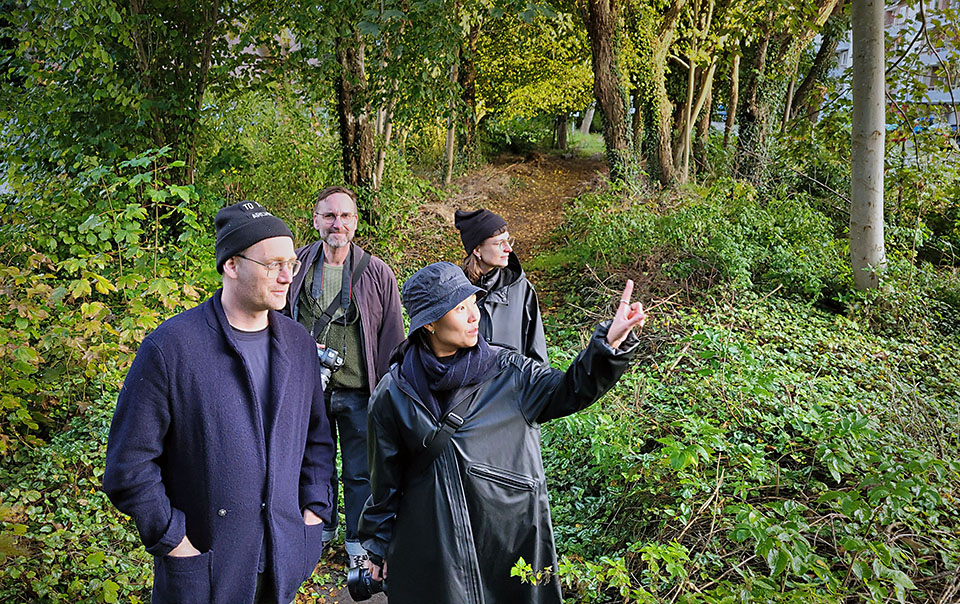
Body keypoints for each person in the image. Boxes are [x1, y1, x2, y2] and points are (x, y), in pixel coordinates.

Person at [358, 262, 647, 603]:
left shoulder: (509, 372)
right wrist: (377, 548)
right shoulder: (394, 392)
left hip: (509, 537)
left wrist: (606, 347)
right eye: (458, 308)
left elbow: (569, 389)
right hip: (434, 544)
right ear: (430, 323)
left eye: (472, 302)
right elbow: (385, 480)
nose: (473, 315)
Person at [103, 200, 335, 604]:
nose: (286, 277)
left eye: (292, 264)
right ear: (231, 264)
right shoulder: (172, 348)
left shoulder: (298, 345)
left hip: (282, 565)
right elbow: (129, 467)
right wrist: (174, 540)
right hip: (202, 573)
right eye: (273, 265)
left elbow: (316, 440)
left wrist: (312, 519)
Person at [285, 186, 404, 569]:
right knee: (310, 463)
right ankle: (318, 531)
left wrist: (389, 393)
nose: (338, 223)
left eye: (346, 216)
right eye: (330, 216)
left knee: (359, 472)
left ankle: (357, 544)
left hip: (358, 392)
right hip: (307, 390)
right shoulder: (296, 265)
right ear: (315, 220)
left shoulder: (377, 272)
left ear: (356, 221)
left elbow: (392, 338)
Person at [455, 208, 548, 364]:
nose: (509, 249)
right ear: (477, 250)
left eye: (508, 241)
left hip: (514, 386)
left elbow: (537, 355)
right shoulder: (455, 291)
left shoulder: (521, 289)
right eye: (499, 243)